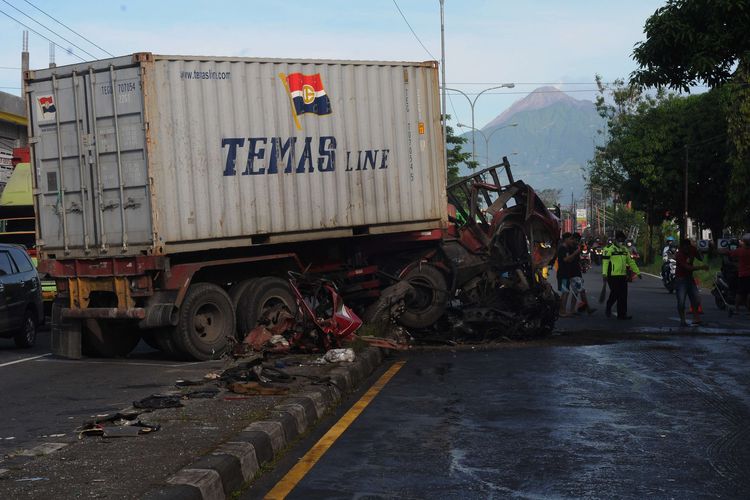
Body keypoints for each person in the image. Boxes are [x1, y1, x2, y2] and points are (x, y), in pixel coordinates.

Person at [602, 230, 642, 319]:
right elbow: (605, 262)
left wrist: (637, 272)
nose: (621, 242)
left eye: (622, 240)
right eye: (620, 240)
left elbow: (631, 262)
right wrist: (604, 274)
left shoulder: (625, 250)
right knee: (615, 293)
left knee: (623, 295)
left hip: (623, 275)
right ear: (615, 240)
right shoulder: (609, 249)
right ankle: (609, 306)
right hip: (612, 275)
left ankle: (622, 314)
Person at [674, 238, 708, 326]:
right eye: (685, 247)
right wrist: (701, 268)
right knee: (681, 301)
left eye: (688, 247)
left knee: (696, 298)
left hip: (689, 278)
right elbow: (687, 267)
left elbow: (701, 258)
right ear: (682, 247)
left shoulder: (692, 250)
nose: (686, 249)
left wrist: (700, 250)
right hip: (680, 279)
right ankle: (682, 320)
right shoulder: (679, 254)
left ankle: (696, 318)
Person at [566, 233, 596, 314]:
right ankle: (587, 308)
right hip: (573, 272)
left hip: (577, 271)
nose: (577, 241)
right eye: (576, 240)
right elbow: (569, 259)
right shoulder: (569, 248)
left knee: (576, 291)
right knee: (581, 290)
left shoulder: (576, 247)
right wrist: (577, 251)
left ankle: (573, 309)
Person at [729, 233, 750, 313]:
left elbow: (731, 254)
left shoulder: (740, 251)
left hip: (742, 274)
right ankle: (748, 310)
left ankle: (736, 309)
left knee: (740, 292)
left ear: (744, 242)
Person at [557, 232, 574, 316]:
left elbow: (569, 260)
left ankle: (561, 309)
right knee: (565, 292)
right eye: (570, 239)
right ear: (566, 239)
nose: (572, 240)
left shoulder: (566, 248)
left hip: (566, 273)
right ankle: (561, 311)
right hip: (562, 273)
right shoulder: (562, 248)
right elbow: (566, 259)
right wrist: (576, 252)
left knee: (566, 291)